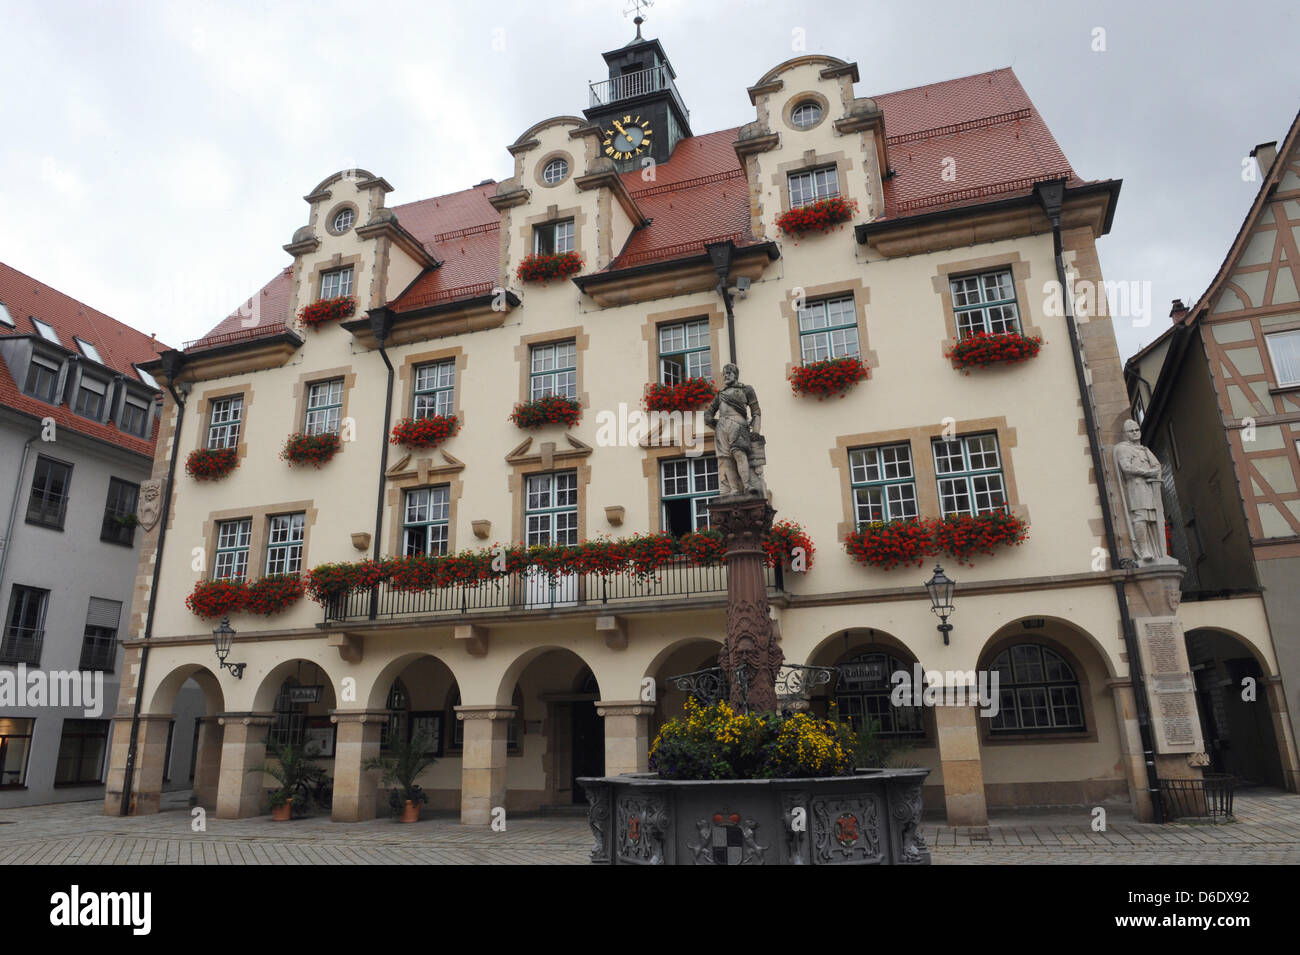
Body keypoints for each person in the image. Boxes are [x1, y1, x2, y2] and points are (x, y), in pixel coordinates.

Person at [704, 363, 762, 496]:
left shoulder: (746, 389)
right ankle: (734, 489)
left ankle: (747, 485)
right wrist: (711, 421)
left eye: (729, 373)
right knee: (726, 459)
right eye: (724, 374)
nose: (726, 376)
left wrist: (756, 431)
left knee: (739, 453)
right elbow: (709, 412)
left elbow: (756, 412)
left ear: (735, 374)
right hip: (722, 428)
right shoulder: (720, 394)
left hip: (738, 425)